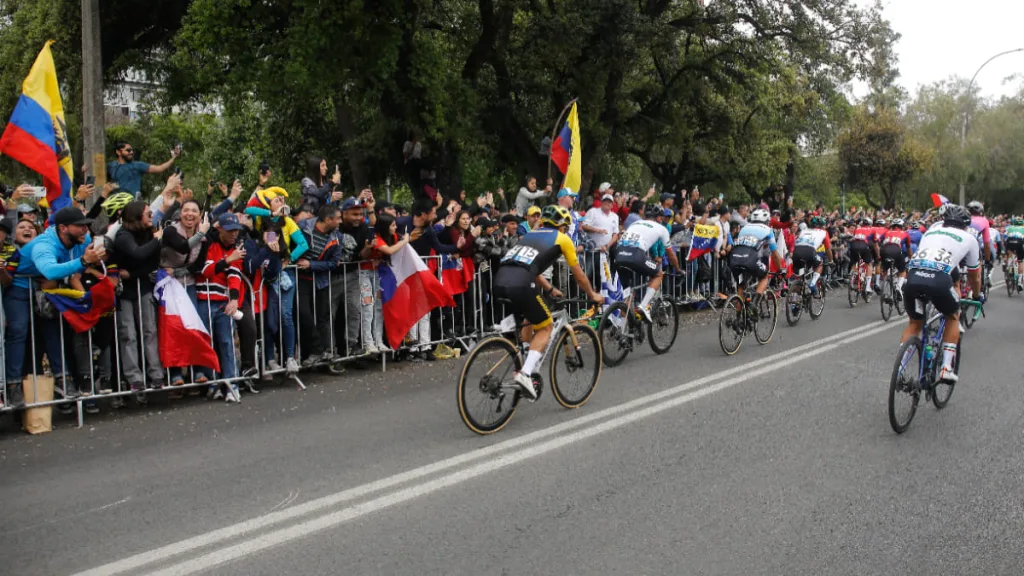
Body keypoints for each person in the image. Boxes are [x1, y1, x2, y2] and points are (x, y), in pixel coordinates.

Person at [494, 205, 603, 399]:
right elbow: (579, 276)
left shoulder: (531, 235)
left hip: (501, 279)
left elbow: (530, 268)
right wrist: (592, 295)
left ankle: (526, 357)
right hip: (521, 283)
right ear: (562, 226)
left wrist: (550, 289)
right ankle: (525, 374)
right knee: (546, 326)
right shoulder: (562, 239)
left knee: (531, 315)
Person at [13, 207, 103, 400]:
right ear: (63, 228)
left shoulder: (83, 240)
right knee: (19, 333)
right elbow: (51, 271)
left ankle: (64, 380)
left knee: (54, 332)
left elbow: (77, 266)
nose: (85, 230)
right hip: (19, 289)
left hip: (47, 291)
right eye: (80, 226)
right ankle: (13, 387)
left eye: (86, 226)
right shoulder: (43, 245)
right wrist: (82, 261)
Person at [900, 205, 982, 384]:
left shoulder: (931, 231)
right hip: (939, 280)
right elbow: (975, 276)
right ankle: (946, 368)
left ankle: (900, 369)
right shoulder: (969, 238)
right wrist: (977, 295)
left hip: (913, 277)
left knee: (915, 323)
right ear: (966, 225)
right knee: (953, 315)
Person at [396, 199, 462, 360]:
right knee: (411, 310)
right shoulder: (402, 223)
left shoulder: (429, 230)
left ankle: (425, 346)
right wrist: (406, 240)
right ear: (423, 214)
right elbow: (389, 241)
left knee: (423, 310)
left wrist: (457, 247)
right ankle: (411, 348)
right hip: (403, 272)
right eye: (432, 212)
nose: (434, 215)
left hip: (422, 271)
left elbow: (439, 247)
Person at [114, 201, 167, 396]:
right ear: (137, 217)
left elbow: (151, 263)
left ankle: (156, 374)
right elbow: (137, 254)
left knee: (150, 330)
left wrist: (133, 274)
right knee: (129, 334)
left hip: (143, 287)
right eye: (148, 214)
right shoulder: (123, 235)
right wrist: (156, 240)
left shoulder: (147, 233)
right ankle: (134, 378)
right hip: (124, 293)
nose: (151, 216)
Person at [160, 199, 212, 387]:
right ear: (180, 213)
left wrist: (179, 272)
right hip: (166, 284)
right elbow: (182, 247)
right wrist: (201, 233)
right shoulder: (171, 231)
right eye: (186, 210)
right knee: (175, 328)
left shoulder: (205, 236)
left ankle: (198, 370)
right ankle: (175, 373)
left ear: (199, 215)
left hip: (187, 281)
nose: (190, 214)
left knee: (192, 325)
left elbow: (198, 265)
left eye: (194, 211)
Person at [612, 205, 682, 322]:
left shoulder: (636, 223)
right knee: (658, 274)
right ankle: (643, 306)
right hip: (636, 254)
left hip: (619, 255)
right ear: (659, 218)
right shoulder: (662, 229)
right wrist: (678, 269)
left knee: (629, 293)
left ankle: (621, 328)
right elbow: (671, 255)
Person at [297, 205, 343, 366]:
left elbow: (333, 263)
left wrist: (312, 265)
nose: (340, 221)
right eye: (338, 218)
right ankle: (314, 351)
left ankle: (326, 352)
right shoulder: (303, 227)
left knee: (323, 317)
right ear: (328, 219)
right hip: (300, 279)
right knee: (304, 314)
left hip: (320, 280)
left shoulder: (337, 237)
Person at [729, 208, 784, 300]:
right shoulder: (768, 230)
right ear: (767, 221)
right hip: (751, 260)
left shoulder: (744, 228)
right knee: (764, 277)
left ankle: (739, 313)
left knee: (741, 286)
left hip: (734, 260)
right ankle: (755, 303)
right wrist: (780, 270)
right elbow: (774, 253)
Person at [107, 141, 180, 198]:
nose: (131, 152)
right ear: (118, 152)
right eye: (128, 150)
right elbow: (106, 184)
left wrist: (173, 158)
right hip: (115, 205)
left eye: (132, 150)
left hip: (132, 204)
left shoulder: (138, 165)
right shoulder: (110, 166)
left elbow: (160, 168)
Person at [791, 216, 833, 296]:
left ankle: (794, 304)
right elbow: (828, 249)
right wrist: (831, 260)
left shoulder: (804, 230)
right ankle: (813, 284)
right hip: (809, 251)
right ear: (822, 226)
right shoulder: (823, 232)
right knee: (820, 263)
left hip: (796, 252)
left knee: (799, 278)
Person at [879, 218, 912, 298]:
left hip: (884, 250)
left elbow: (879, 241)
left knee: (885, 269)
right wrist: (911, 258)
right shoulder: (905, 233)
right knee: (903, 270)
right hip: (896, 250)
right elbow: (908, 249)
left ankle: (885, 286)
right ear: (902, 226)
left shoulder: (886, 232)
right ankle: (898, 287)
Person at [848, 217, 879, 294]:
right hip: (863, 245)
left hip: (854, 246)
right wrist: (878, 255)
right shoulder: (872, 229)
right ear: (870, 224)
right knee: (869, 264)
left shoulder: (857, 229)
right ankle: (868, 286)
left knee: (854, 262)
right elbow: (875, 245)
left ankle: (852, 278)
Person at [1004, 216, 1024, 290]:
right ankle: (1019, 282)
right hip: (1019, 243)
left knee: (1010, 254)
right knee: (1020, 261)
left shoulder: (1010, 228)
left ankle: (1009, 265)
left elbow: (1005, 237)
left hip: (1010, 242)